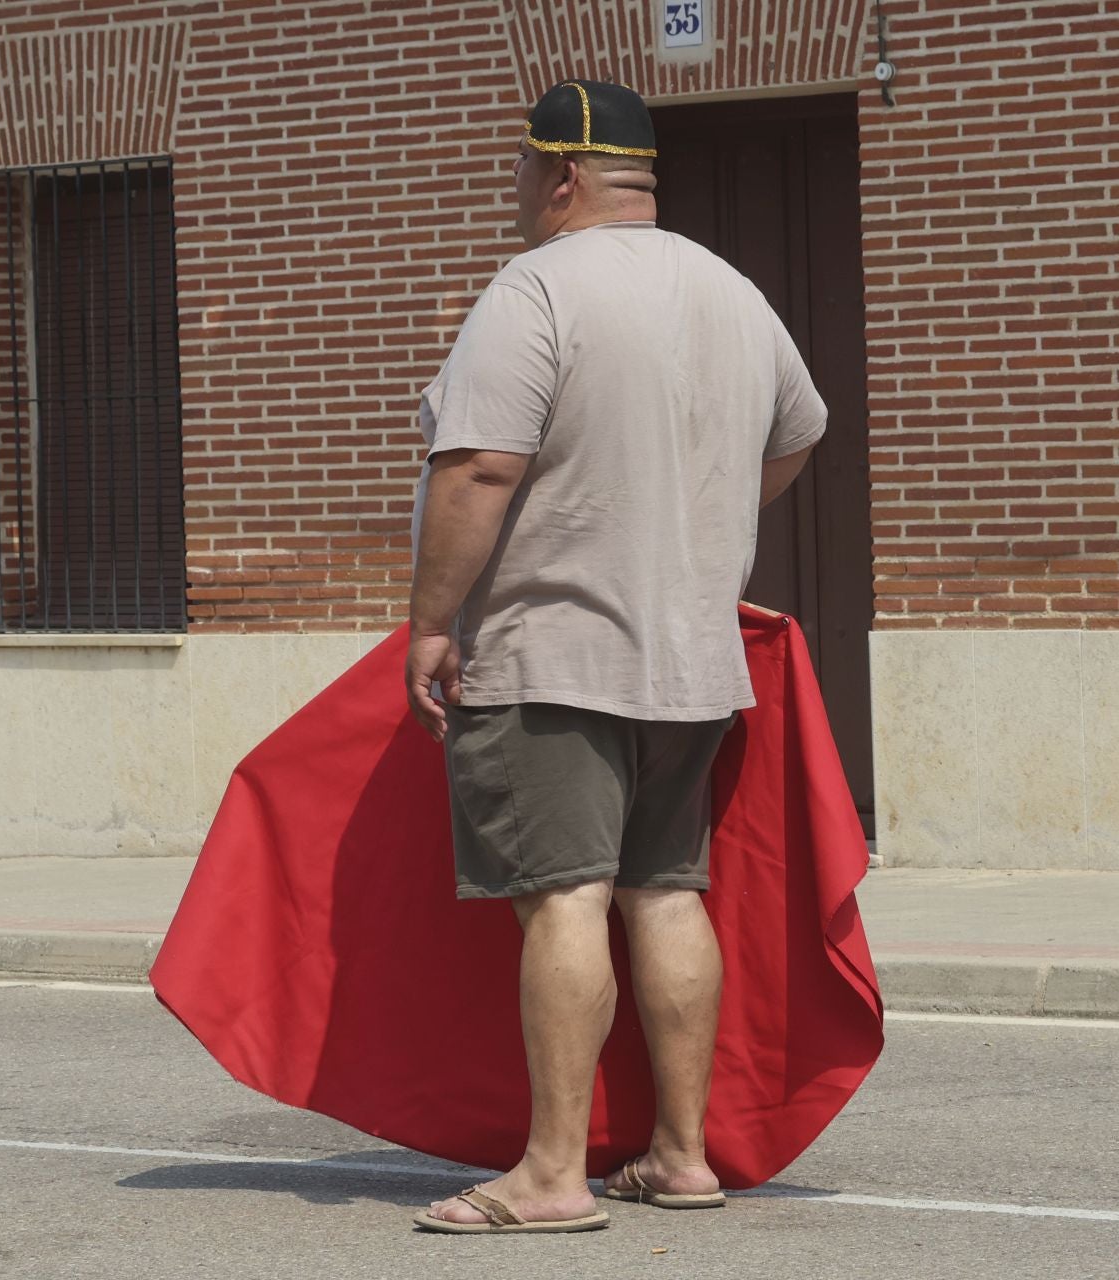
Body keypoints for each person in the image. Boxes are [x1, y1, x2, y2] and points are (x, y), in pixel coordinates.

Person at [403, 81, 826, 1234]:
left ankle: (549, 1174)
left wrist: (432, 620)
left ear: (559, 175)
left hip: (555, 649)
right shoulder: (733, 290)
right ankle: (681, 1154)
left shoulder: (533, 287)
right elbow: (796, 435)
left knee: (565, 897)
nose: (520, 190)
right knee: (667, 888)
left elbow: (479, 468)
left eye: (523, 171)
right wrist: (686, 535)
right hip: (689, 654)